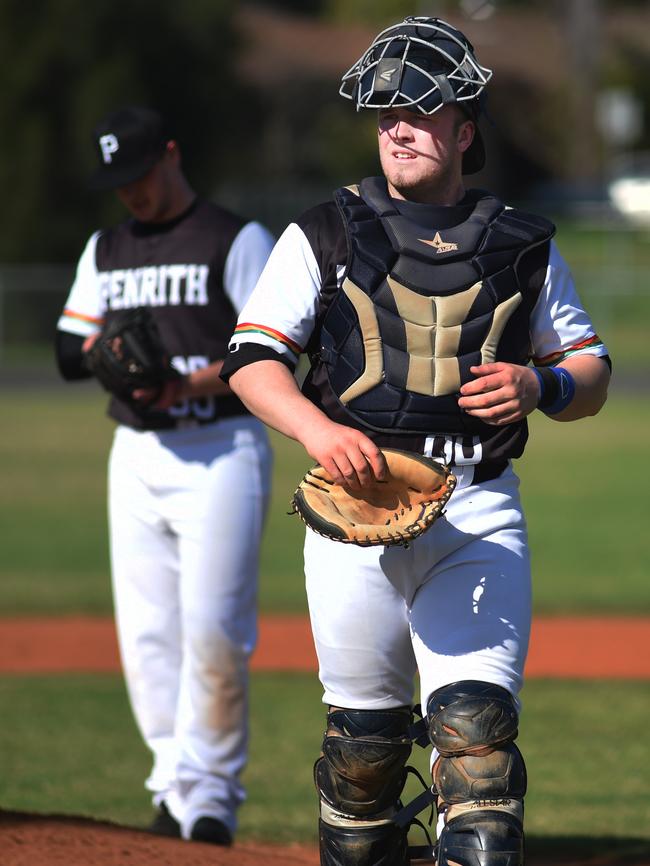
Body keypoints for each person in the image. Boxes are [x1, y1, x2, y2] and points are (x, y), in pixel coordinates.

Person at [220, 17, 611, 866]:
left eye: (421, 111)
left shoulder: (522, 244)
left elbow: (590, 371)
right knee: (363, 761)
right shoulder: (323, 232)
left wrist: (541, 385)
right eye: (386, 112)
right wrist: (320, 431)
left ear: (464, 131)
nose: (398, 126)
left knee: (478, 756)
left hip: (477, 515)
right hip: (353, 518)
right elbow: (251, 362)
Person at [55, 105, 275, 846]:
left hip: (221, 449)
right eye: (119, 182)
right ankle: (171, 787)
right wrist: (109, 359)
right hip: (140, 454)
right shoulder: (108, 247)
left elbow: (278, 354)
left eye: (142, 175)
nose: (133, 194)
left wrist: (188, 381)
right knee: (148, 632)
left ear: (172, 155)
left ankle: (211, 797)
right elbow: (67, 347)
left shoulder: (235, 239)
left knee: (214, 627)